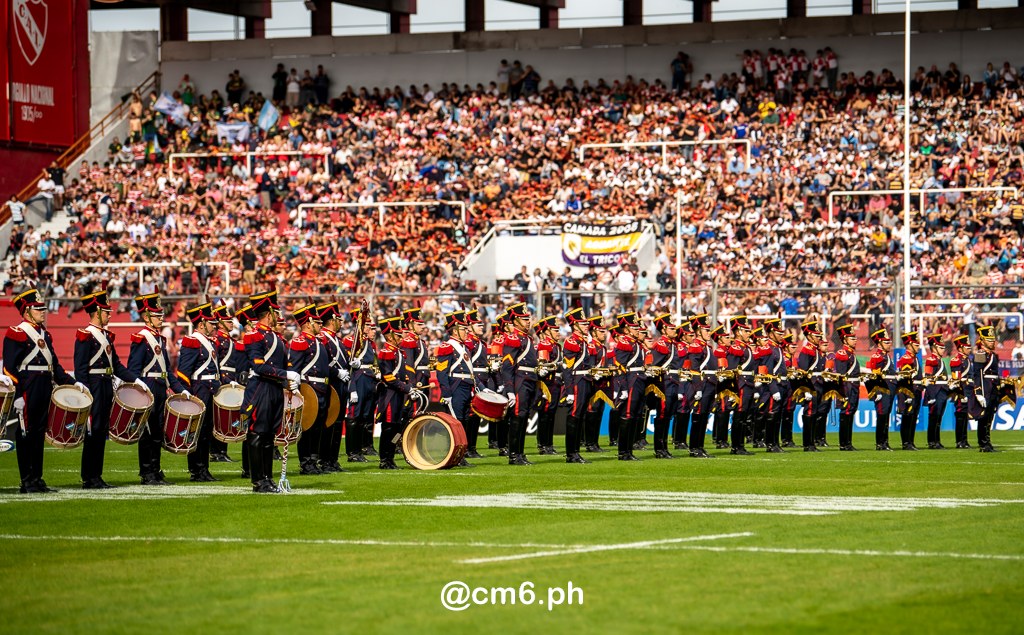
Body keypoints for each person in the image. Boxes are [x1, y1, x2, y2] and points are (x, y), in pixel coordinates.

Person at [3, 290, 80, 493]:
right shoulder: (16, 332)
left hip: (45, 385)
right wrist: (18, 395)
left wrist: (74, 383)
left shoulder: (45, 334)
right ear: (27, 310)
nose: (43, 312)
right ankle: (26, 480)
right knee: (26, 432)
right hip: (28, 386)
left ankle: (37, 478)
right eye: (38, 308)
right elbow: (9, 368)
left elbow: (55, 367)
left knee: (38, 434)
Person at [75, 289, 146, 489]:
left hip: (106, 383)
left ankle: (96, 475)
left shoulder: (106, 336)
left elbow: (117, 365)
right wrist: (84, 392)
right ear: (96, 312)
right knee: (93, 431)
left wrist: (136, 380)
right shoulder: (85, 335)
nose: (109, 314)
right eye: (106, 311)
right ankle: (89, 476)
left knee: (101, 432)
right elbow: (80, 368)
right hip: (94, 385)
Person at [127, 291, 190, 485]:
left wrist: (180, 389)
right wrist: (141, 393)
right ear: (146, 317)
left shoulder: (160, 339)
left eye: (161, 315)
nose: (161, 318)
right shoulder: (141, 338)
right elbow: (134, 369)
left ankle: (155, 469)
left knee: (157, 432)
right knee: (146, 433)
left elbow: (168, 372)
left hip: (161, 387)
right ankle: (147, 472)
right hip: (148, 387)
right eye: (157, 315)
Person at [241, 291, 298, 493]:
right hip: (260, 389)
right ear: (269, 313)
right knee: (258, 433)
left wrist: (288, 382)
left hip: (275, 388)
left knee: (269, 436)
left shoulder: (277, 337)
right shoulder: (254, 335)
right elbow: (258, 366)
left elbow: (284, 363)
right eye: (276, 310)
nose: (279, 314)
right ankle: (258, 480)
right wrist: (286, 374)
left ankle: (267, 477)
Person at [176, 303, 223, 481]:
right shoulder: (193, 341)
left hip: (210, 390)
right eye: (212, 323)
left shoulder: (209, 342)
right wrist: (188, 395)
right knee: (198, 432)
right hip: (199, 390)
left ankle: (204, 469)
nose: (215, 326)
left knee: (207, 432)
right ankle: (197, 469)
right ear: (202, 323)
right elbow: (183, 372)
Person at [289, 303, 331, 475]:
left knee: (318, 427)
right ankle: (306, 463)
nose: (321, 325)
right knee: (307, 427)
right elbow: (295, 368)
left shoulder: (318, 341)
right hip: (309, 388)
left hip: (322, 387)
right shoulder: (300, 342)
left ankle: (314, 460)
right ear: (307, 323)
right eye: (317, 322)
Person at [497, 302, 538, 465]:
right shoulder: (513, 339)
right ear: (515, 321)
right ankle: (514, 455)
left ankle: (520, 453)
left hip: (530, 380)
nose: (528, 321)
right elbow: (507, 367)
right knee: (517, 417)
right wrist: (510, 390)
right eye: (524, 318)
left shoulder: (526, 338)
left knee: (524, 417)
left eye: (528, 318)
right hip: (520, 380)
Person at [375, 316, 419, 470]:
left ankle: (391, 457)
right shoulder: (386, 352)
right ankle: (384, 459)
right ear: (389, 336)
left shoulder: (399, 352)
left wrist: (409, 386)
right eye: (398, 335)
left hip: (399, 394)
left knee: (397, 428)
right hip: (390, 395)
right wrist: (406, 388)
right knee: (388, 427)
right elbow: (388, 377)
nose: (402, 338)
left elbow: (403, 375)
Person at [434, 310, 475, 467]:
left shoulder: (464, 347)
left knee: (463, 422)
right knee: (455, 423)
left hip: (466, 387)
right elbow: (441, 372)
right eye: (464, 329)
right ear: (455, 330)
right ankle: (453, 456)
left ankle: (460, 456)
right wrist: (447, 393)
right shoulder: (447, 347)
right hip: (456, 388)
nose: (467, 332)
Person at [316, 302, 351, 472]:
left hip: (341, 385)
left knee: (338, 424)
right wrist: (337, 372)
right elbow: (321, 363)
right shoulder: (322, 338)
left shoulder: (337, 339)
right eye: (338, 319)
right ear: (331, 320)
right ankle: (324, 459)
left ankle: (333, 459)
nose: (341, 322)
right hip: (331, 383)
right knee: (328, 423)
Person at [343, 307, 379, 459]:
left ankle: (365, 446)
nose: (373, 330)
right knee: (355, 416)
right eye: (369, 327)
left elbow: (374, 362)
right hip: (359, 380)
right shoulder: (351, 340)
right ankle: (353, 451)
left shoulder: (370, 343)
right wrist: (352, 388)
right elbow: (348, 364)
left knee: (366, 414)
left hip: (369, 380)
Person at [612, 312, 646, 461]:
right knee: (627, 415)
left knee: (634, 416)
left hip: (639, 380)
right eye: (634, 327)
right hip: (631, 381)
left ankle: (629, 450)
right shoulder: (625, 343)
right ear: (626, 329)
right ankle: (623, 451)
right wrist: (623, 387)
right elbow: (621, 367)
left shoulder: (635, 343)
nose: (638, 329)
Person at [560, 307, 592, 464]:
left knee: (580, 417)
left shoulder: (584, 341)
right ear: (575, 325)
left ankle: (576, 452)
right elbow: (567, 368)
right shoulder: (571, 342)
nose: (587, 326)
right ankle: (571, 453)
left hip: (585, 381)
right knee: (574, 417)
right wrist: (570, 391)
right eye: (583, 323)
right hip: (577, 382)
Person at [211, 303, 243, 463]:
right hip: (222, 380)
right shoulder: (217, 340)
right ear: (220, 323)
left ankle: (222, 451)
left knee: (226, 417)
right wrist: (224, 379)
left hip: (231, 379)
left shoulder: (230, 340)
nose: (232, 323)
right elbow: (215, 362)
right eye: (228, 321)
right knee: (219, 417)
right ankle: (216, 451)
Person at [647, 313, 681, 459]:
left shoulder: (672, 344)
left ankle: (664, 447)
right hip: (664, 384)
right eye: (671, 328)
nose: (675, 331)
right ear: (664, 329)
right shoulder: (661, 345)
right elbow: (654, 365)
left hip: (673, 383)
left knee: (667, 416)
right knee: (662, 416)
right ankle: (659, 448)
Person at [686, 314, 716, 458]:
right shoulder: (696, 346)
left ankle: (700, 446)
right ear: (698, 332)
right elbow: (694, 369)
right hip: (702, 385)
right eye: (706, 330)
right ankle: (694, 448)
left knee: (704, 417)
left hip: (710, 384)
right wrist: (697, 388)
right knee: (698, 417)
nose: (709, 333)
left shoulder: (706, 346)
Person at [534, 315, 563, 456]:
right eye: (555, 330)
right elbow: (543, 364)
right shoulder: (545, 344)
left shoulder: (556, 346)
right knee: (545, 414)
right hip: (547, 383)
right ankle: (543, 444)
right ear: (547, 332)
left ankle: (548, 444)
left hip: (556, 383)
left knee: (551, 414)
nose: (558, 333)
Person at [969, 325, 999, 453]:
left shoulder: (993, 355)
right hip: (985, 388)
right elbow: (978, 374)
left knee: (989, 417)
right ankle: (983, 443)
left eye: (993, 339)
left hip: (992, 389)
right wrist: (979, 393)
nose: (992, 341)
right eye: (989, 339)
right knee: (983, 417)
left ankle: (988, 441)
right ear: (982, 340)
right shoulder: (980, 354)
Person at [832, 323, 861, 451]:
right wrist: (842, 392)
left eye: (855, 338)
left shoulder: (851, 353)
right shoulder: (842, 353)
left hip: (854, 386)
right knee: (846, 413)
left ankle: (848, 442)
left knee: (851, 413)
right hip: (847, 387)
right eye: (852, 338)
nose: (855, 340)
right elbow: (841, 375)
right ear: (845, 340)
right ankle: (844, 443)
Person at [866, 328, 896, 451]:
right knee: (882, 415)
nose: (889, 344)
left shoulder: (886, 356)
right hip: (882, 389)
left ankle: (885, 441)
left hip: (890, 388)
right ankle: (880, 443)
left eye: (889, 342)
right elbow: (875, 376)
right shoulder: (877, 357)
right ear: (879, 344)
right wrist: (877, 392)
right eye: (886, 342)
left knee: (886, 416)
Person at [895, 331, 922, 451]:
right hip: (909, 390)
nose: (918, 347)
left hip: (916, 390)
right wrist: (908, 394)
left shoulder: (913, 358)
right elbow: (906, 377)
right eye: (916, 345)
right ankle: (906, 442)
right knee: (907, 416)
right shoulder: (906, 358)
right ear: (909, 345)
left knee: (913, 416)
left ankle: (911, 441)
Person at [923, 333, 949, 450]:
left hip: (942, 391)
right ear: (934, 347)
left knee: (939, 418)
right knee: (934, 417)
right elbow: (928, 378)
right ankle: (932, 441)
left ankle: (937, 440)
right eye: (940, 347)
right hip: (935, 392)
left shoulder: (940, 360)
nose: (943, 350)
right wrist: (931, 395)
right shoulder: (930, 360)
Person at [949, 334, 972, 449]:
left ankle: (965, 440)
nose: (970, 349)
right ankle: (959, 441)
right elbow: (956, 378)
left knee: (965, 416)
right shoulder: (956, 360)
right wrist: (961, 393)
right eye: (967, 347)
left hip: (968, 390)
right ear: (960, 348)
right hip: (961, 391)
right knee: (960, 415)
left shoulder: (967, 359)